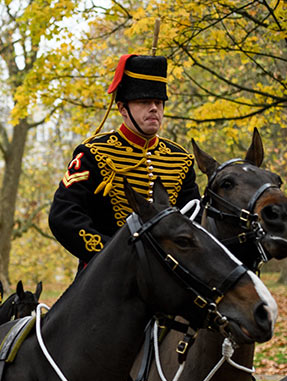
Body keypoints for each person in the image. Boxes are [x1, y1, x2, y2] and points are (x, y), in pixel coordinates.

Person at [49, 54, 199, 272]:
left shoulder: (180, 159)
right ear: (122, 109)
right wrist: (112, 254)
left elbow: (194, 221)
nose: (154, 108)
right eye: (144, 102)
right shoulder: (93, 154)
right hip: (108, 273)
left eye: (158, 102)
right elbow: (63, 216)